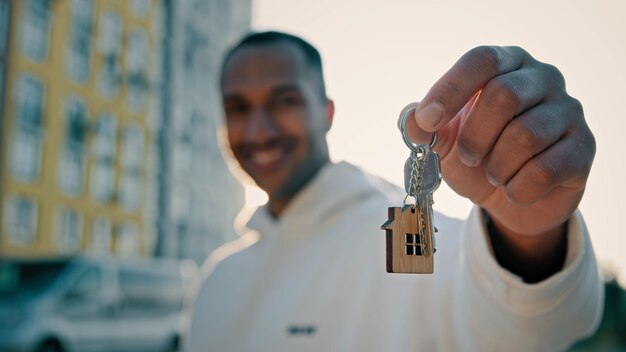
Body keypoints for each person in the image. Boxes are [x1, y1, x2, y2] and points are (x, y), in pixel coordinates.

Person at [184, 31, 602, 351]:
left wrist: (528, 234)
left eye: (284, 100)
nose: (258, 130)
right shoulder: (217, 277)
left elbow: (527, 327)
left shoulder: (411, 241)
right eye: (238, 108)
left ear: (326, 113)